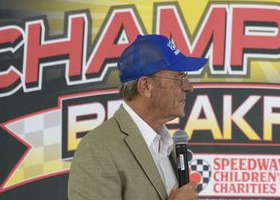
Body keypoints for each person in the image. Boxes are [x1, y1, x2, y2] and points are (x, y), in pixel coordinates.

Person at [68, 34, 207, 199]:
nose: (189, 87)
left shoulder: (167, 145)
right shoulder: (97, 148)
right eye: (179, 78)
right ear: (146, 86)